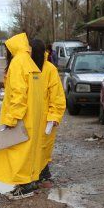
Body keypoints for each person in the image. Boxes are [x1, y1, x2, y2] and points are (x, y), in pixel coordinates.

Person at [0, 32, 46, 200]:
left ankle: (24, 186)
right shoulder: (28, 61)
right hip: (32, 116)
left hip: (22, 117)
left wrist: (11, 119)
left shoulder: (17, 63)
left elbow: (19, 93)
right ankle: (27, 182)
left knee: (17, 152)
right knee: (26, 151)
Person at [29, 39, 66, 189]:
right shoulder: (26, 67)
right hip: (29, 118)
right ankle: (30, 176)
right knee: (28, 146)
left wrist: (53, 117)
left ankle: (43, 175)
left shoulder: (49, 69)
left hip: (45, 119)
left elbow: (57, 96)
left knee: (43, 147)